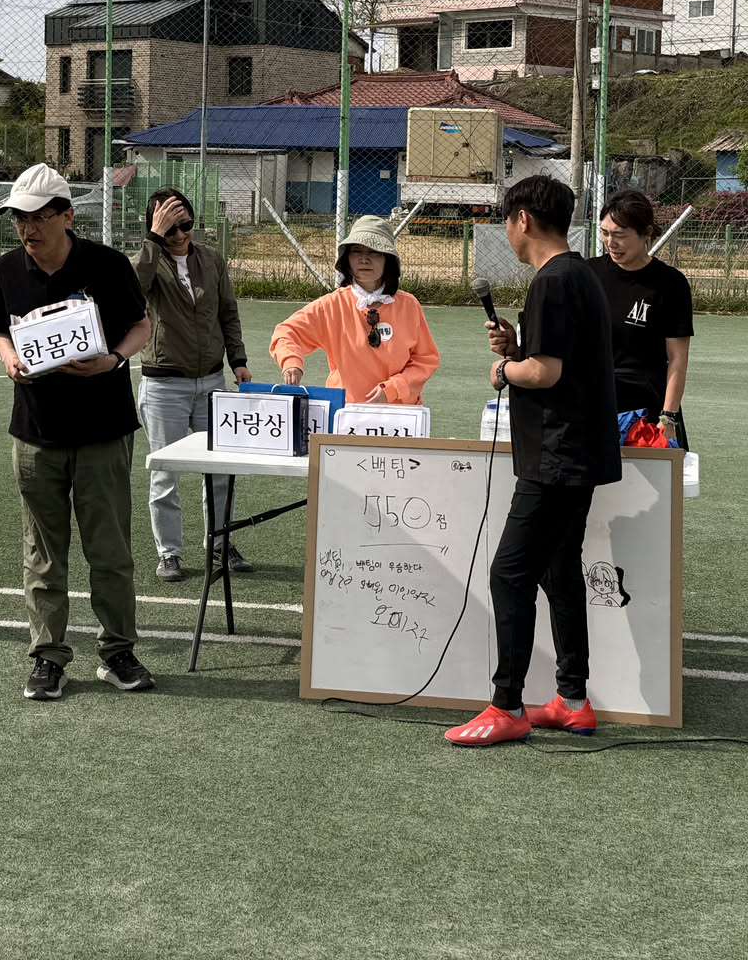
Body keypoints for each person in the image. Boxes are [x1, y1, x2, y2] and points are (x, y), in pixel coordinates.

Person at [446, 174, 621, 747]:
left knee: (510, 573)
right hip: (579, 452)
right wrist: (520, 351)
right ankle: (572, 699)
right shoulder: (583, 274)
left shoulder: (551, 281)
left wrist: (504, 369)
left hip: (555, 456)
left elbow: (545, 374)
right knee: (558, 570)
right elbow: (556, 363)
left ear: (522, 219)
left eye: (506, 220)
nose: (507, 231)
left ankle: (507, 705)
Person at [0, 163, 156, 702]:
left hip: (103, 429)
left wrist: (114, 360)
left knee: (109, 549)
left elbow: (142, 325)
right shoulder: (5, 270)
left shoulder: (107, 265)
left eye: (38, 217)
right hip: (35, 432)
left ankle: (118, 651)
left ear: (66, 216)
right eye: (18, 218)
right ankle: (48, 656)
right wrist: (10, 359)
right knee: (42, 551)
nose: (27, 228)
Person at [134, 187, 252, 583]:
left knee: (220, 470)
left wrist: (238, 360)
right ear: (155, 227)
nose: (180, 234)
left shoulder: (211, 259)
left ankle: (220, 543)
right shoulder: (147, 261)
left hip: (212, 381)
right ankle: (169, 552)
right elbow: (131, 292)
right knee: (165, 473)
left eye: (185, 224)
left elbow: (228, 313)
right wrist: (153, 241)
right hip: (164, 385)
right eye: (170, 228)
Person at [268, 215, 439, 405]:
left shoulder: (409, 305)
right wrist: (291, 361)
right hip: (346, 410)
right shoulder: (331, 305)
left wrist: (393, 389)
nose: (364, 259)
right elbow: (286, 333)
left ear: (388, 260)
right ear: (347, 259)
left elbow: (425, 359)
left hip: (400, 412)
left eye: (374, 252)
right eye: (357, 251)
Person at [588, 189, 695, 450]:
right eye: (605, 233)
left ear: (646, 233)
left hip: (648, 407)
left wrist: (667, 417)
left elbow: (677, 359)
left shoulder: (671, 283)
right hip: (594, 401)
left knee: (653, 476)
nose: (610, 242)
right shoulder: (587, 274)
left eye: (620, 235)